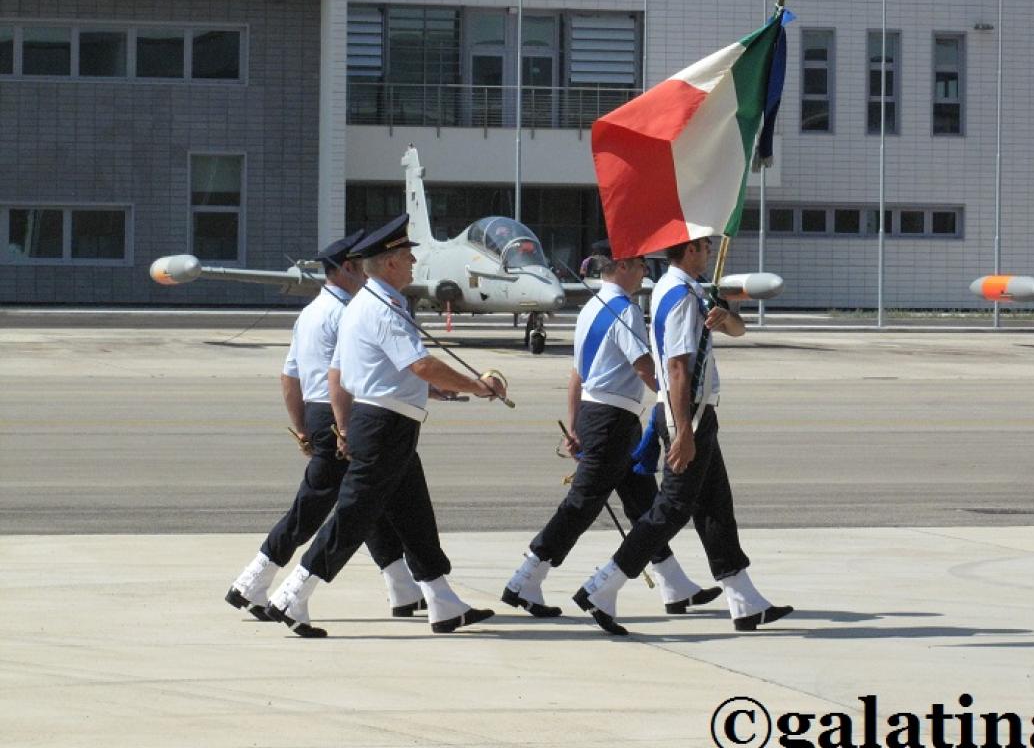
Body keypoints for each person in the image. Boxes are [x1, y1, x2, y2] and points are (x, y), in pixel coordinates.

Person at [265, 215, 505, 637]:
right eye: (408, 256)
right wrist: (478, 387)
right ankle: (294, 593)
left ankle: (443, 602)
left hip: (380, 423)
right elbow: (422, 364)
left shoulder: (363, 304)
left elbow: (338, 374)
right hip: (384, 426)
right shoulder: (384, 309)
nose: (414, 262)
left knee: (414, 516)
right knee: (355, 515)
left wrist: (344, 428)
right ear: (390, 263)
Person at [574, 236, 793, 635]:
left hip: (698, 412)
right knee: (672, 509)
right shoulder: (677, 294)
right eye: (705, 247)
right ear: (690, 251)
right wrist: (683, 430)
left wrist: (724, 319)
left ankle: (745, 601)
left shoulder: (694, 291)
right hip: (685, 413)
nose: (710, 252)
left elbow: (738, 330)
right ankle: (602, 586)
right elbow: (675, 367)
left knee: (715, 507)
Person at [502, 241, 719, 619]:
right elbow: (644, 367)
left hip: (599, 416)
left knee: (643, 503)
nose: (645, 272)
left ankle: (673, 583)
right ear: (620, 266)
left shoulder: (590, 308)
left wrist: (573, 424)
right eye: (639, 264)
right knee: (582, 504)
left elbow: (576, 374)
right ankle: (526, 577)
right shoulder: (624, 311)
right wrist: (672, 401)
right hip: (611, 422)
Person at [225, 230, 425, 624]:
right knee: (323, 507)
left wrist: (302, 427)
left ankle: (403, 587)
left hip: (320, 414)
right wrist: (345, 428)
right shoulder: (347, 313)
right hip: (346, 414)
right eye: (360, 267)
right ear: (349, 268)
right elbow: (345, 375)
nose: (367, 276)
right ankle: (254, 581)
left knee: (370, 502)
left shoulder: (312, 312)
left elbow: (289, 376)